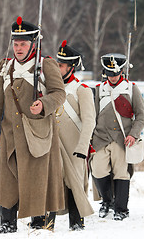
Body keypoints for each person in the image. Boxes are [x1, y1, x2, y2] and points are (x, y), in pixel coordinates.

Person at [0, 16, 66, 234]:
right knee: (6, 178)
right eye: (16, 43)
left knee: (39, 178)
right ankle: (7, 223)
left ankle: (41, 222)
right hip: (10, 132)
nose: (18, 48)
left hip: (37, 132)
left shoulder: (45, 64)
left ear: (33, 44)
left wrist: (44, 103)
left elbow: (59, 93)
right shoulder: (5, 66)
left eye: (23, 44)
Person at [90, 53, 144, 220]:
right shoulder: (100, 89)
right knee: (98, 170)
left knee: (121, 173)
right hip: (100, 138)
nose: (112, 77)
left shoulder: (131, 89)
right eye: (109, 73)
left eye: (115, 73)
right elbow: (93, 115)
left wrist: (133, 135)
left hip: (122, 139)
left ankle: (121, 209)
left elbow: (141, 115)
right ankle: (107, 201)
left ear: (121, 71)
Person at [55, 40, 95, 230]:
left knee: (75, 185)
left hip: (74, 147)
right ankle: (46, 224)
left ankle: (77, 224)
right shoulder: (49, 89)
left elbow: (89, 121)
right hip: (53, 145)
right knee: (52, 184)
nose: (57, 67)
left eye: (61, 65)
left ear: (71, 68)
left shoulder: (82, 90)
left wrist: (82, 148)